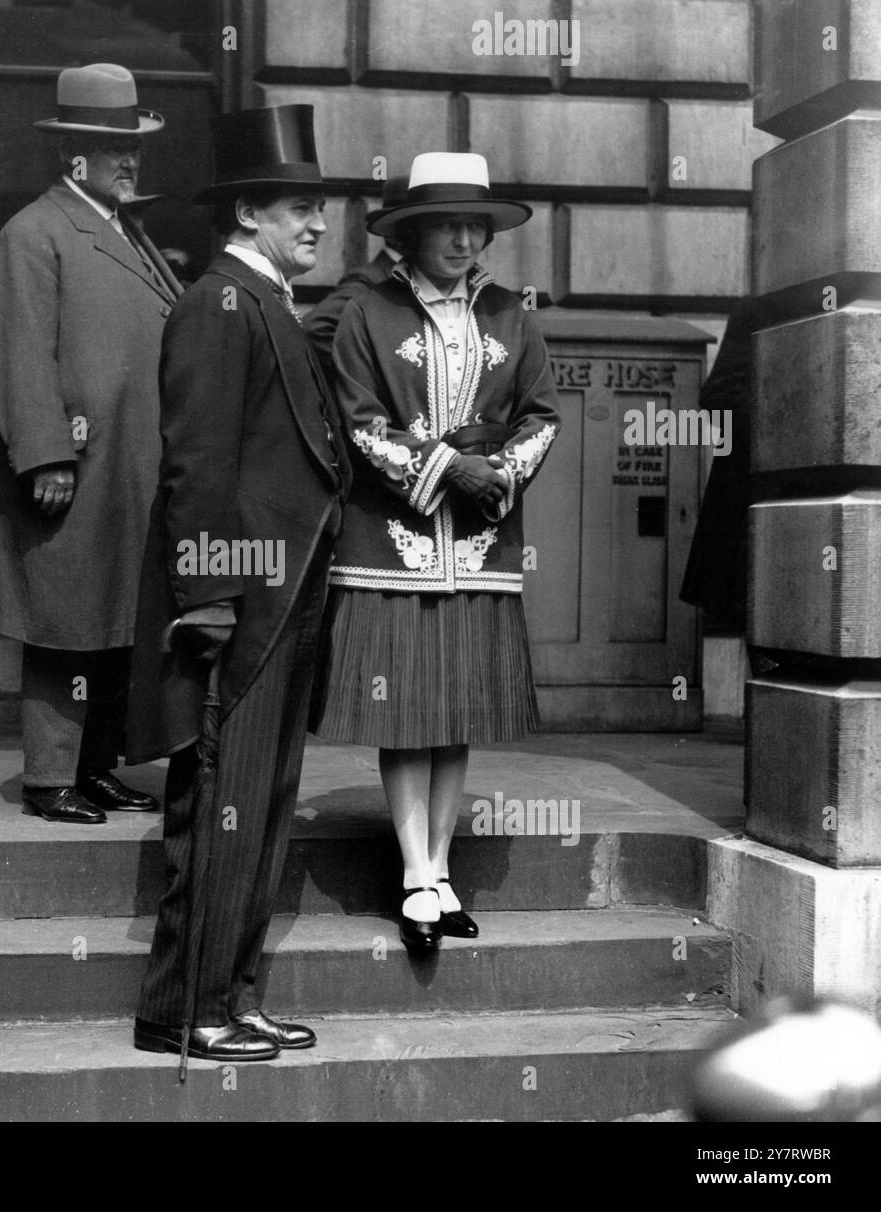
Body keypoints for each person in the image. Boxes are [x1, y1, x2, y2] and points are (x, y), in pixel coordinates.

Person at [126, 105, 351, 1063]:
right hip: (242, 609)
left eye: (319, 209)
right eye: (299, 207)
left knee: (258, 809)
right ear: (249, 212)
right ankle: (184, 1012)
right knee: (221, 810)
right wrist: (207, 598)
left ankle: (234, 998)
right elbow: (196, 465)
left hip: (285, 598)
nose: (317, 225)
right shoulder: (217, 304)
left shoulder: (265, 304)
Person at [310, 152, 560, 953]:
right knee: (405, 711)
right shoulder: (368, 314)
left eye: (475, 225)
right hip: (392, 542)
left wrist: (505, 470)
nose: (462, 239)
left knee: (454, 717)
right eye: (446, 225)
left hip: (481, 546)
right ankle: (415, 870)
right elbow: (359, 423)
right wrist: (449, 467)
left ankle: (441, 868)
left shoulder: (512, 316)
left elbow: (542, 414)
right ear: (411, 233)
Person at [0, 64, 182, 825]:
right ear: (71, 153)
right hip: (75, 467)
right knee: (63, 621)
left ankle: (95, 767)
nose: (129, 159)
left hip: (130, 468)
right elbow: (17, 351)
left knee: (113, 621)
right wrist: (44, 455)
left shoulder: (120, 227)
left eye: (133, 146)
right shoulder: (34, 233)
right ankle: (48, 777)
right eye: (111, 147)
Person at [303, 173, 409, 381]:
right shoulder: (369, 280)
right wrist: (371, 379)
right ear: (390, 232)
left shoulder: (412, 280)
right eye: (415, 225)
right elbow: (314, 330)